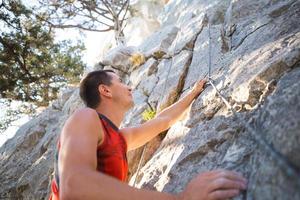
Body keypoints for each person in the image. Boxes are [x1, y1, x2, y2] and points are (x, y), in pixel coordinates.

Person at [49, 69, 247, 200]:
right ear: (105, 90)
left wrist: (193, 93)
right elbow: (75, 186)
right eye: (121, 81)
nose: (129, 87)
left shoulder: (118, 138)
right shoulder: (84, 117)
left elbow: (163, 121)